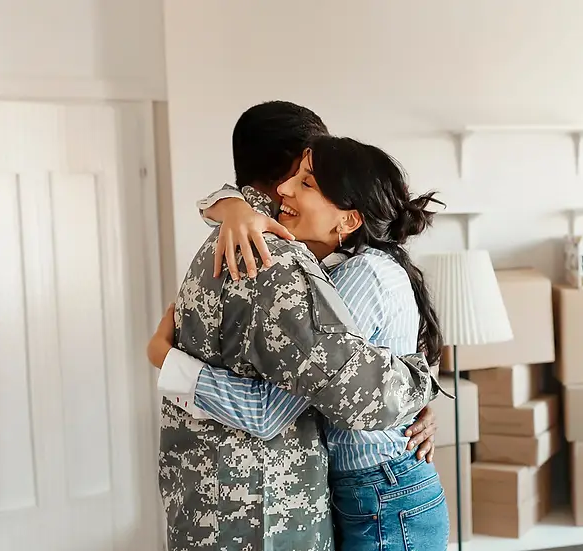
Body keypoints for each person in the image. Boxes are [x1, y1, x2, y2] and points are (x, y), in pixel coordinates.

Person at [154, 101, 443, 551]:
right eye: (303, 172)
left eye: (308, 180)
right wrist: (419, 385)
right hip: (264, 504)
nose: (292, 187)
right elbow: (280, 409)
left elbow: (349, 377)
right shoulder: (278, 259)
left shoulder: (228, 243)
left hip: (231, 498)